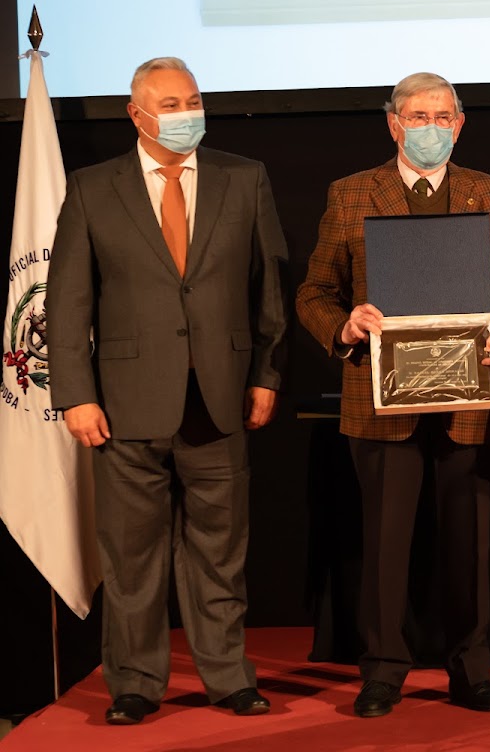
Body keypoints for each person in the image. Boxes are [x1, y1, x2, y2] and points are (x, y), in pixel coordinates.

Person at [295, 72, 490, 718]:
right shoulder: (351, 194)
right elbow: (313, 294)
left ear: (459, 126)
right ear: (393, 124)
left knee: (469, 544)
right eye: (417, 116)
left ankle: (471, 671)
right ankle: (383, 672)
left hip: (468, 397)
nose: (429, 127)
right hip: (380, 401)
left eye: (441, 117)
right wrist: (344, 326)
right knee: (385, 546)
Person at [47, 57, 288, 724]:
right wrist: (75, 393)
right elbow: (67, 301)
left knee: (221, 553)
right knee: (132, 557)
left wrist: (267, 375)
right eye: (171, 104)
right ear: (137, 115)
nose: (187, 114)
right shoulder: (93, 188)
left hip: (222, 396)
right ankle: (134, 683)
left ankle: (229, 678)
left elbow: (269, 288)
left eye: (193, 100)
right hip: (123, 405)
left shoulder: (245, 177)